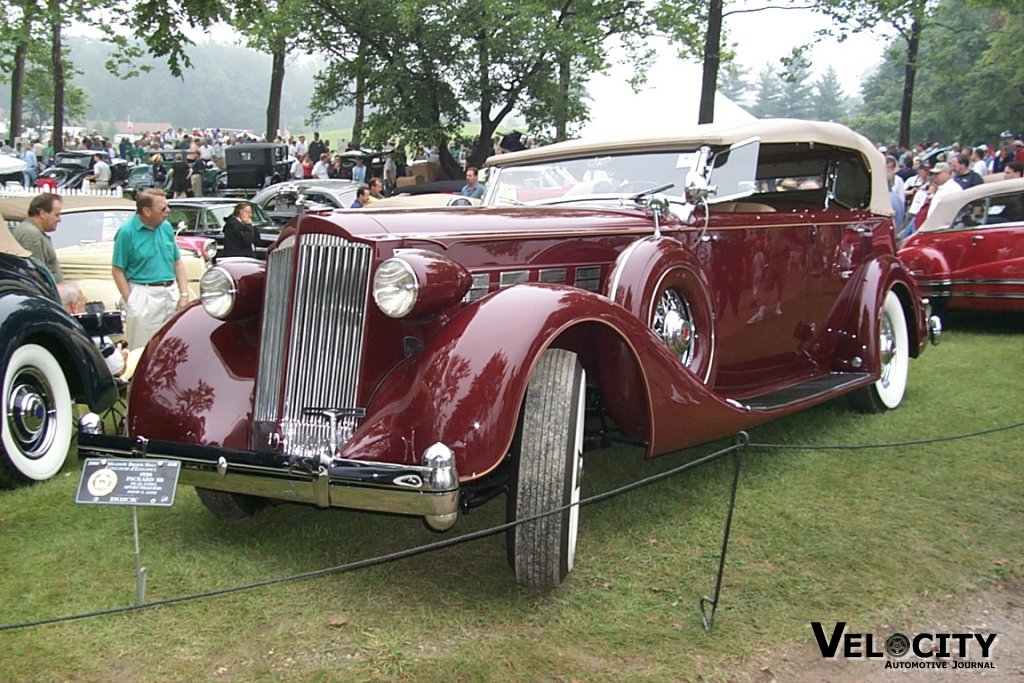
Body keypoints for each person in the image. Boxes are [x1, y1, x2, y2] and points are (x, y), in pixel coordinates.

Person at [111, 189, 189, 349]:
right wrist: (131, 301)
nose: (168, 211)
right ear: (147, 211)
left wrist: (184, 294)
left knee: (173, 346)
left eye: (168, 207)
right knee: (142, 348)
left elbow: (178, 262)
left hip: (170, 292)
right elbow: (117, 269)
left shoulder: (166, 227)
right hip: (143, 294)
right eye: (163, 208)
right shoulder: (127, 232)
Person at [60, 282, 128, 376]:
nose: (86, 309)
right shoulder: (90, 331)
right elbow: (117, 370)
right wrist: (122, 357)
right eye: (84, 304)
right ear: (74, 306)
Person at [12, 192, 64, 283]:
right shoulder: (31, 235)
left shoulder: (32, 231)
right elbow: (37, 274)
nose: (59, 220)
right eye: (56, 215)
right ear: (42, 213)